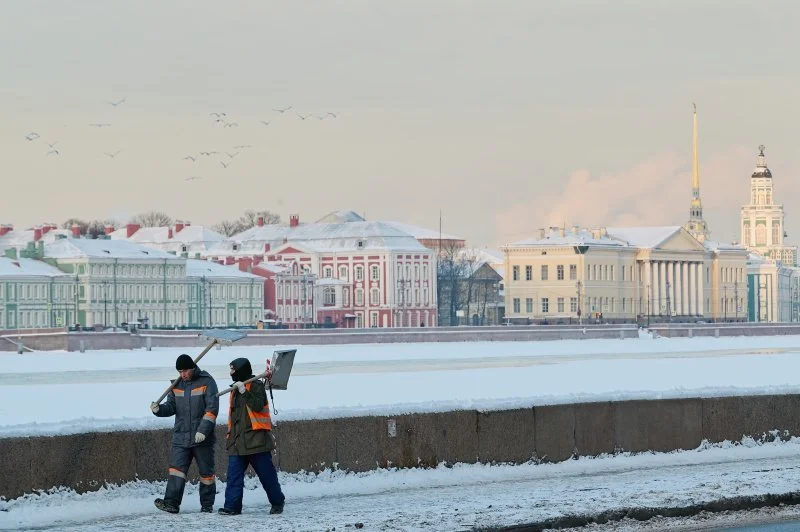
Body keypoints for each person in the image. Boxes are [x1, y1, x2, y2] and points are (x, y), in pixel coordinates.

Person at [150, 354, 219, 514]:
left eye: (185, 371)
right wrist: (159, 410)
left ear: (192, 368)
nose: (183, 375)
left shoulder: (207, 382)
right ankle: (171, 503)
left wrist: (203, 431)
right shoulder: (176, 385)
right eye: (180, 372)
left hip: (202, 439)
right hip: (181, 437)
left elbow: (212, 409)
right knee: (176, 471)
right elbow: (171, 407)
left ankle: (207, 506)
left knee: (206, 474)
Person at [218, 357, 285, 516]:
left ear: (241, 370)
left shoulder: (256, 385)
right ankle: (232, 507)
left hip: (256, 441)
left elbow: (257, 405)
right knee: (234, 476)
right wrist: (231, 438)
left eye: (233, 370)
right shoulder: (234, 388)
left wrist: (245, 392)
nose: (231, 373)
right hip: (237, 441)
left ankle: (277, 502)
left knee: (267, 475)